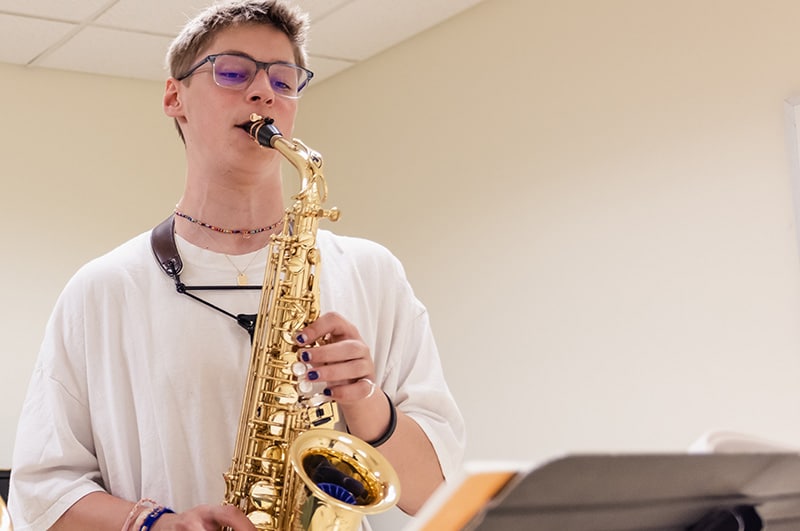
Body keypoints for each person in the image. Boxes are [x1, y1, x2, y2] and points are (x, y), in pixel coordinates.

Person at [7, 1, 465, 529]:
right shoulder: (103, 289)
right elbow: (39, 493)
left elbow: (437, 492)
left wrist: (365, 400)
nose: (263, 92)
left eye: (284, 78)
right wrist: (154, 524)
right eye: (233, 71)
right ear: (174, 96)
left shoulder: (373, 272)